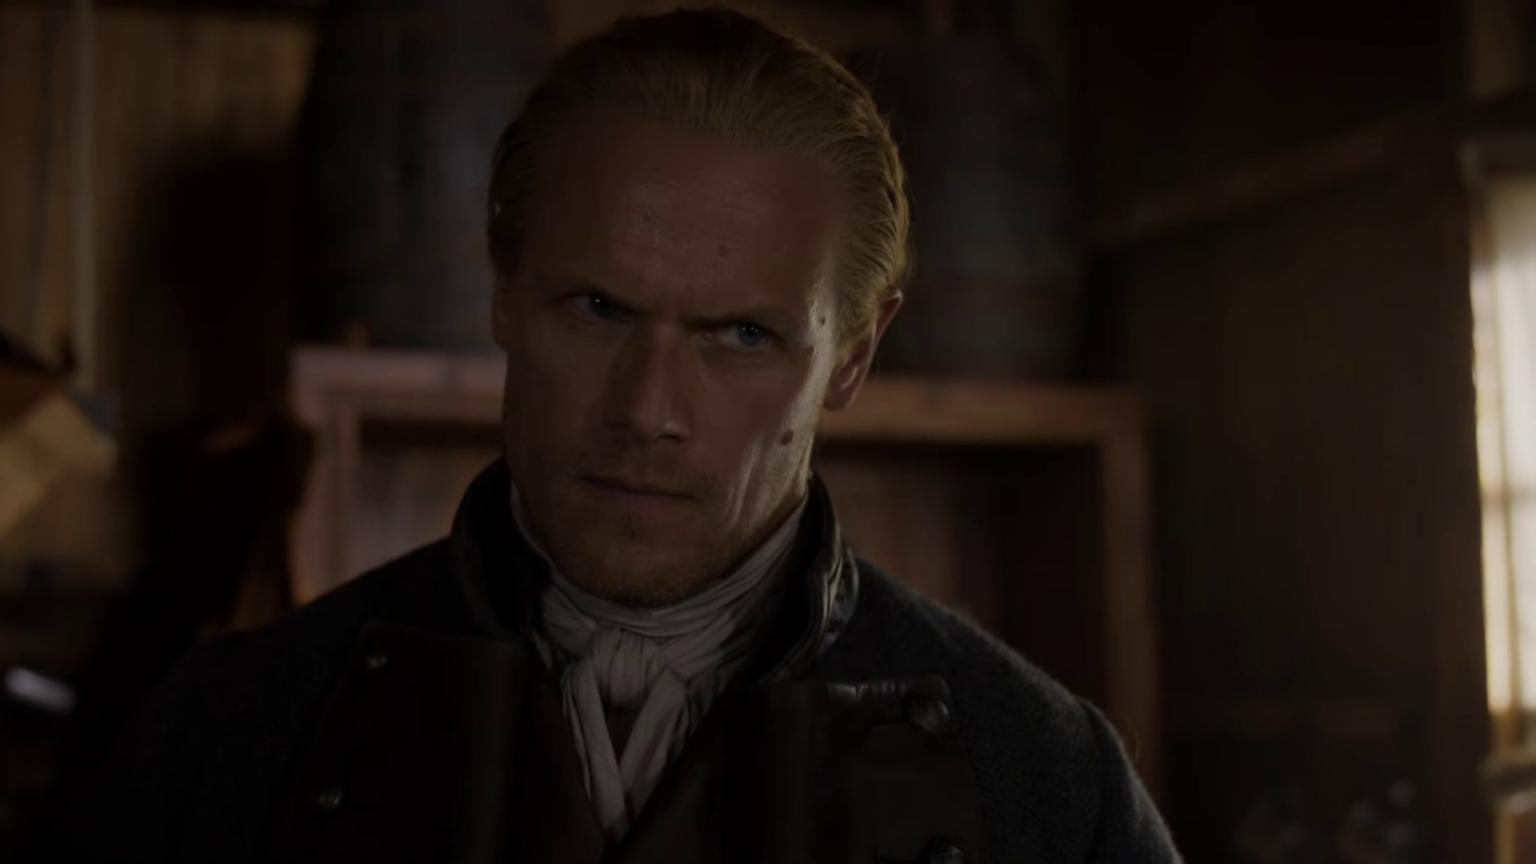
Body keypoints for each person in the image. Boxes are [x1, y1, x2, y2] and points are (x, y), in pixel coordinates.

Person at [51, 9, 1180, 863]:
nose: (647, 411)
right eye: (597, 309)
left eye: (742, 335)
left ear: (853, 354)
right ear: (503, 290)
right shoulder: (237, 729)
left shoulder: (1042, 777)